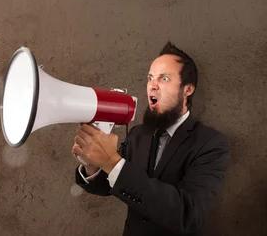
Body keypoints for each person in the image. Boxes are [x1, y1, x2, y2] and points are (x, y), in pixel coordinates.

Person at [72, 41, 230, 236]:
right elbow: (109, 184)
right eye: (150, 78)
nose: (152, 86)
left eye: (164, 78)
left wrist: (111, 161)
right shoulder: (139, 134)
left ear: (188, 89)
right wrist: (92, 164)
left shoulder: (211, 144)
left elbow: (187, 214)